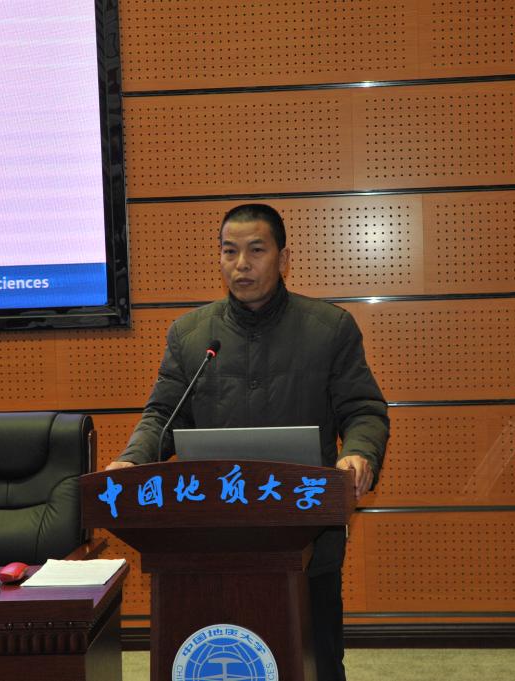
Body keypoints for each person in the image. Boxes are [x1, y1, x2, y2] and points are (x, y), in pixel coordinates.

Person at [106, 203, 389, 681]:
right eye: (229, 252)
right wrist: (132, 461)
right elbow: (163, 417)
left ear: (284, 258)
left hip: (306, 533)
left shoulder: (328, 329)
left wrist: (358, 453)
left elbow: (363, 410)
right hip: (209, 534)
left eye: (256, 251)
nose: (241, 264)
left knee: (316, 661)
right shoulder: (191, 335)